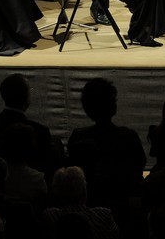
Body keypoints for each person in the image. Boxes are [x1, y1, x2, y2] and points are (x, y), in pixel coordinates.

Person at [65, 78, 146, 231]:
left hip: (87, 207)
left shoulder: (78, 137)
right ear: (112, 105)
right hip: (123, 209)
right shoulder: (128, 137)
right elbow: (138, 170)